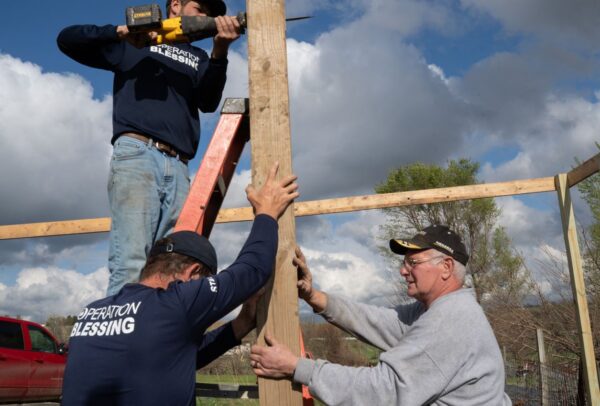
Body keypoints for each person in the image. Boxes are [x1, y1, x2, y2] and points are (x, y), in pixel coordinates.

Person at [61, 163, 299, 405]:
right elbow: (252, 269)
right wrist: (266, 213)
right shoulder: (177, 302)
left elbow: (175, 357)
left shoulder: (91, 312)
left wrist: (240, 323)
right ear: (193, 273)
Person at [56, 0, 242, 295]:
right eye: (200, 7)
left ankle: (154, 336)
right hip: (138, 154)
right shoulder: (133, 44)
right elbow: (67, 40)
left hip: (179, 166)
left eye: (211, 13)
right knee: (131, 262)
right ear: (176, 5)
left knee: (171, 267)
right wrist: (121, 31)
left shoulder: (197, 56)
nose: (206, 16)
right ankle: (119, 337)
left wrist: (220, 52)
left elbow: (207, 102)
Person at [250, 225, 512, 405]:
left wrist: (296, 367)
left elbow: (382, 390)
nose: (403, 270)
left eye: (413, 262)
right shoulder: (433, 311)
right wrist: (314, 296)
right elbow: (376, 321)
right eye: (404, 262)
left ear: (445, 267)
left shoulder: (451, 321)